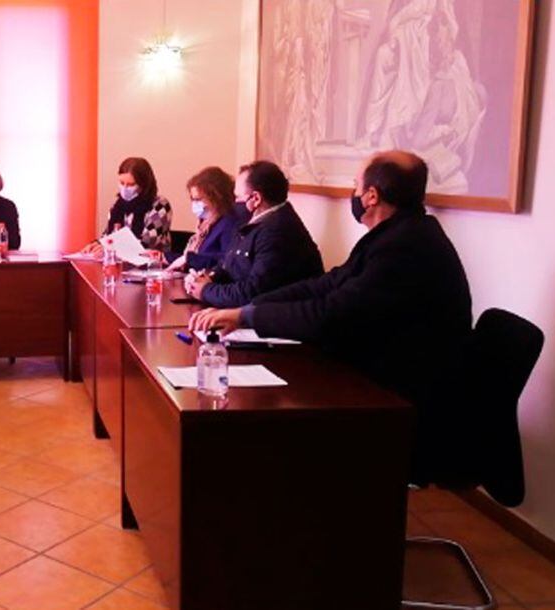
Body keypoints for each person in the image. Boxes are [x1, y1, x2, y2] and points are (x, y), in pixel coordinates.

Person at [190, 152, 472, 476]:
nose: (353, 193)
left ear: (371, 196)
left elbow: (328, 313)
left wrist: (247, 316)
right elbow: (324, 285)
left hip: (406, 397)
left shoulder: (405, 247)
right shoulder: (396, 235)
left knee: (283, 403)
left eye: (355, 185)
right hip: (386, 372)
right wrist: (247, 310)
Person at [184, 160, 323, 307]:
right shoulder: (255, 222)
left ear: (255, 199)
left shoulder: (277, 231)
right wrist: (206, 278)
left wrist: (206, 290)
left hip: (278, 320)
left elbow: (252, 293)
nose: (234, 203)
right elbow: (229, 265)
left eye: (237, 197)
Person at [81, 157, 172, 255]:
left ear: (144, 185)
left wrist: (110, 248)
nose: (125, 188)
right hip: (120, 263)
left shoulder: (160, 205)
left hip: (151, 265)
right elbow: (109, 235)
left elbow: (147, 243)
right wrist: (96, 244)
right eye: (121, 183)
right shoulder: (117, 206)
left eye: (131, 184)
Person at [166, 167, 248, 272]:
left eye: (198, 199)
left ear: (216, 197)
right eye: (192, 199)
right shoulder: (205, 224)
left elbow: (225, 260)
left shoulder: (229, 222)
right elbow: (194, 257)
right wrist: (164, 257)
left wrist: (188, 259)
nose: (194, 204)